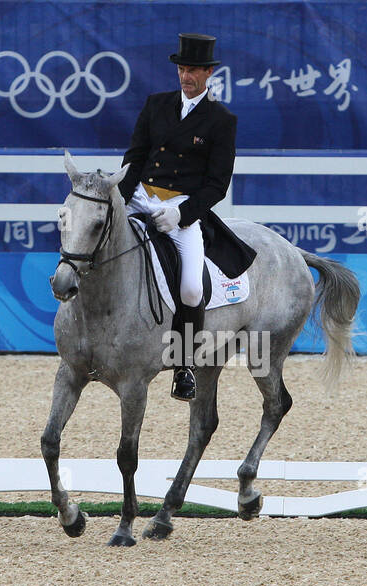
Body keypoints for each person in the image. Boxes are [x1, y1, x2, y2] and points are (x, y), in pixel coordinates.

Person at [118, 33, 254, 401]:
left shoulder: (221, 121)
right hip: (141, 196)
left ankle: (184, 366)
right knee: (94, 237)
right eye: (182, 68)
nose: (186, 76)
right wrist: (119, 200)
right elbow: (135, 158)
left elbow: (216, 186)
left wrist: (180, 215)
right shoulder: (156, 104)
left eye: (193, 69)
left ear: (209, 72)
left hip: (181, 209)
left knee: (192, 287)